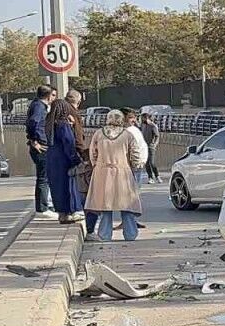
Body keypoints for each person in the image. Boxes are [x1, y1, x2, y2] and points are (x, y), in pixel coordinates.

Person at [86, 109, 144, 241]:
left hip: (102, 171)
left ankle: (105, 235)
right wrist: (134, 166)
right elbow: (135, 153)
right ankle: (130, 234)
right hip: (123, 171)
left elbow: (92, 153)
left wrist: (96, 165)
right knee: (127, 204)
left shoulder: (99, 134)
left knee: (105, 204)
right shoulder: (127, 135)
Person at [43, 91, 86, 224]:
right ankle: (72, 212)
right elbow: (68, 142)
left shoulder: (50, 123)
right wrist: (75, 159)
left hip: (52, 159)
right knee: (67, 186)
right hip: (64, 160)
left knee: (56, 187)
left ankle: (62, 215)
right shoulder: (63, 124)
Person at [25, 84, 57, 218]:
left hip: (42, 144)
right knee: (43, 178)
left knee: (46, 176)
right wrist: (34, 141)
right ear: (48, 96)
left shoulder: (37, 105)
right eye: (53, 95)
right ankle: (42, 208)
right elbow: (33, 122)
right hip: (41, 146)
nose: (54, 98)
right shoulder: (39, 106)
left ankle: (45, 205)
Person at [121, 108, 149, 186]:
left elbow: (138, 148)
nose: (134, 120)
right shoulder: (125, 131)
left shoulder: (132, 130)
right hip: (129, 166)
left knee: (133, 190)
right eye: (130, 118)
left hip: (135, 165)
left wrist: (138, 163)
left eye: (134, 117)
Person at [140, 113, 161, 183]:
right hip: (144, 147)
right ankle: (150, 177)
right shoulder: (142, 125)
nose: (142, 120)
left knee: (152, 162)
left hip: (151, 146)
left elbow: (157, 136)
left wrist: (154, 144)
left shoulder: (153, 126)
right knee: (146, 163)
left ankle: (157, 176)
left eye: (143, 118)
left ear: (147, 118)